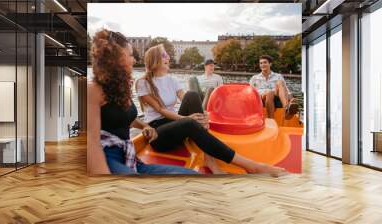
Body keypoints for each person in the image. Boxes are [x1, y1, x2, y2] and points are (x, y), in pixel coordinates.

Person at [135, 44, 286, 176]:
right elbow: (160, 109)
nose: (168, 56)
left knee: (192, 94)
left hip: (175, 123)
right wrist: (187, 119)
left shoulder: (172, 80)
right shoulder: (143, 82)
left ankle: (209, 157)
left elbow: (185, 98)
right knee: (190, 123)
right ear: (155, 59)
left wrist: (203, 114)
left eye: (167, 54)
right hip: (159, 133)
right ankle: (252, 166)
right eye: (164, 54)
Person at [87, 29, 197, 175]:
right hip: (108, 156)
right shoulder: (93, 90)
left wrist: (145, 125)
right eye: (131, 55)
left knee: (192, 175)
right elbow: (92, 143)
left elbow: (124, 118)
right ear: (115, 57)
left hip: (130, 157)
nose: (134, 60)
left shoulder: (120, 88)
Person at [249, 55, 298, 119]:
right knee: (269, 93)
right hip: (261, 96)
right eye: (261, 63)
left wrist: (291, 99)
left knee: (280, 83)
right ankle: (271, 119)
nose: (262, 64)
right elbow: (250, 92)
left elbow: (286, 90)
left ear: (270, 64)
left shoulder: (278, 76)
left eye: (265, 62)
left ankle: (286, 109)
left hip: (276, 95)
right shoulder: (254, 78)